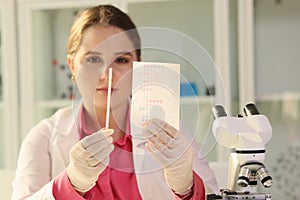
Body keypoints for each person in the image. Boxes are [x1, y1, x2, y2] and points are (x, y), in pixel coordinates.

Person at [12, 4, 218, 200]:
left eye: (121, 60)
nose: (106, 74)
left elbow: (213, 195)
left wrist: (186, 186)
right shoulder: (44, 137)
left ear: (137, 67)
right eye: (93, 59)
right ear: (72, 66)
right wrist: (70, 183)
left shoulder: (169, 132)